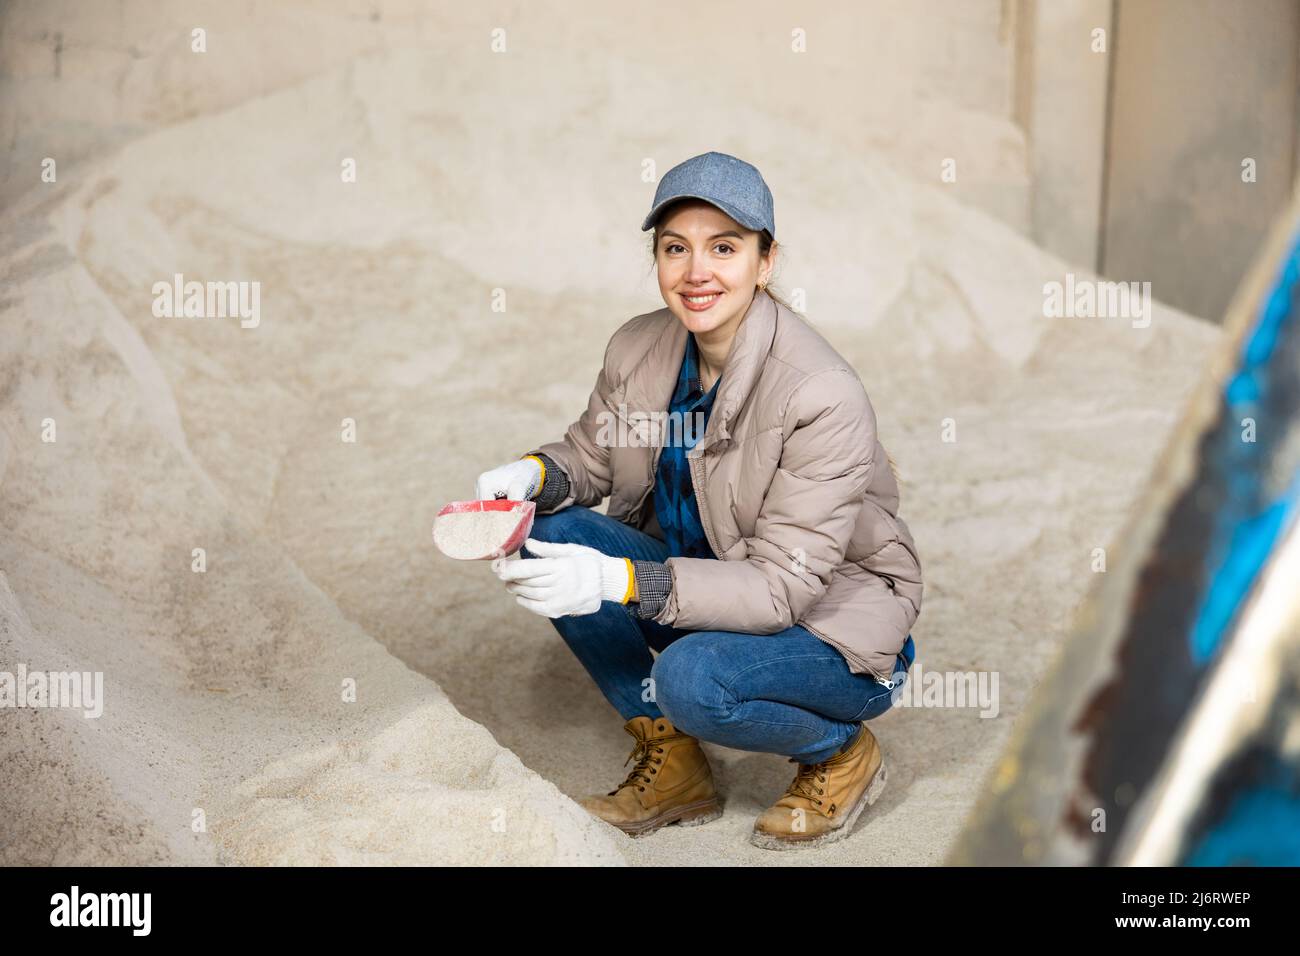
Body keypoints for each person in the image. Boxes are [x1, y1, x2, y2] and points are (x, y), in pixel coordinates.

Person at [476, 151, 922, 850]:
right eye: (675, 248)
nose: (696, 272)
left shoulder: (818, 392)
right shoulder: (640, 347)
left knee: (692, 679)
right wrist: (529, 477)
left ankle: (839, 749)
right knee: (544, 531)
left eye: (724, 248)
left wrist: (617, 580)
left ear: (765, 262)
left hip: (830, 634)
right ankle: (674, 762)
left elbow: (780, 589)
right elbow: (592, 458)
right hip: (703, 590)